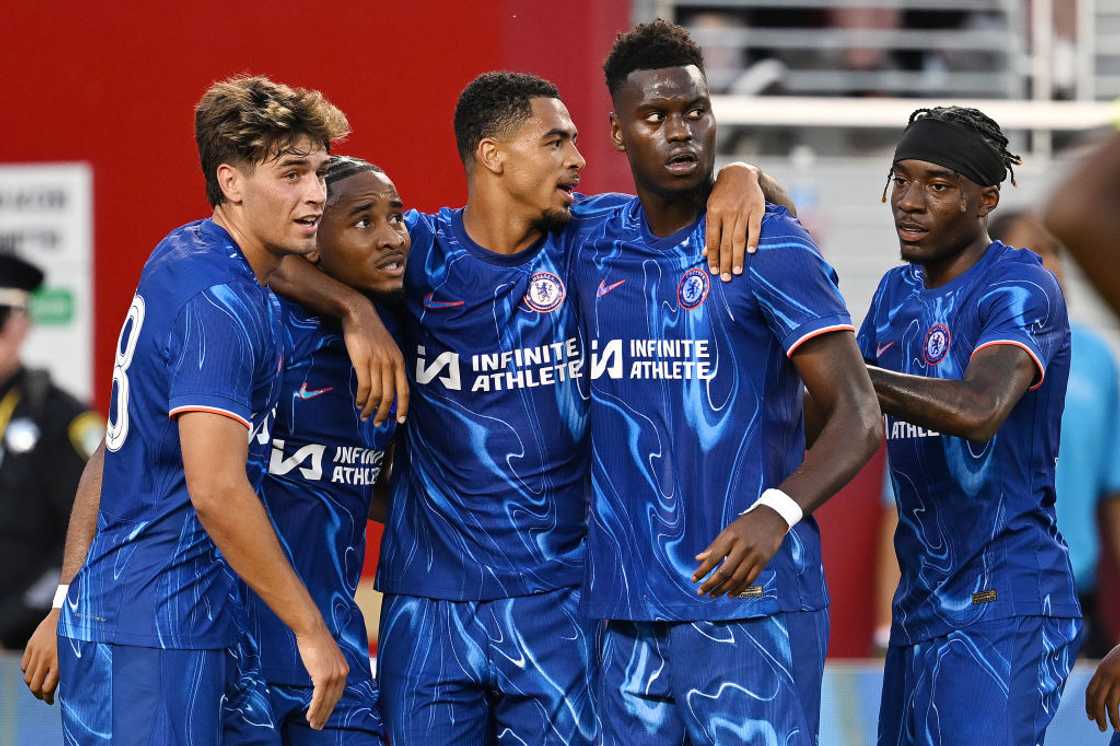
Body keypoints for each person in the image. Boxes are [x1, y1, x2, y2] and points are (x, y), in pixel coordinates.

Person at [273, 71, 782, 744]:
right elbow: (267, 258)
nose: (577, 159)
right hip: (429, 604)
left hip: (558, 598)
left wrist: (741, 174)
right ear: (494, 156)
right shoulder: (413, 251)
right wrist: (356, 309)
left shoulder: (593, 238)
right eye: (556, 142)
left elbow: (717, 206)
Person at [568, 21, 881, 745]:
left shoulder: (766, 241)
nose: (680, 132)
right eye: (655, 117)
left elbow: (857, 413)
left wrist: (778, 512)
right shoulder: (590, 238)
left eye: (695, 112)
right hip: (624, 608)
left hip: (750, 602)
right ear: (617, 131)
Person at [19, 75, 352, 744]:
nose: (316, 193)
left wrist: (67, 601)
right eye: (292, 173)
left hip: (180, 622)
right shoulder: (218, 304)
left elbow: (117, 454)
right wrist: (310, 629)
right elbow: (217, 489)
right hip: (157, 635)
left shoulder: (181, 254)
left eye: (318, 171)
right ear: (231, 182)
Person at [859, 106, 1081, 745]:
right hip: (921, 604)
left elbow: (979, 409)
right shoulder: (895, 295)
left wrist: (849, 373)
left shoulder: (1021, 286)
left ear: (985, 199)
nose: (910, 202)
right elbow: (837, 416)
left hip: (1004, 602)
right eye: (901, 180)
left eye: (937, 185)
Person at [222, 155, 408, 745]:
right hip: (232, 654)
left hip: (335, 657)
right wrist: (67, 597)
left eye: (396, 217)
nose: (391, 237)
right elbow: (123, 455)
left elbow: (364, 487)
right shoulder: (252, 326)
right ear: (309, 239)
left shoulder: (407, 335)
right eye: (361, 221)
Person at [990, 209, 1120, 660]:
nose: (1054, 266)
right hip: (985, 599)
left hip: (1075, 597)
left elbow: (1113, 495)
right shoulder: (961, 354)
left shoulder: (1098, 358)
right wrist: (887, 630)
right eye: (1035, 252)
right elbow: (903, 505)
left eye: (1056, 252)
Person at [0, 254, 103, 650]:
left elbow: (86, 535)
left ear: (22, 323)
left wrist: (15, 616)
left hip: (24, 649)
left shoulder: (60, 419)